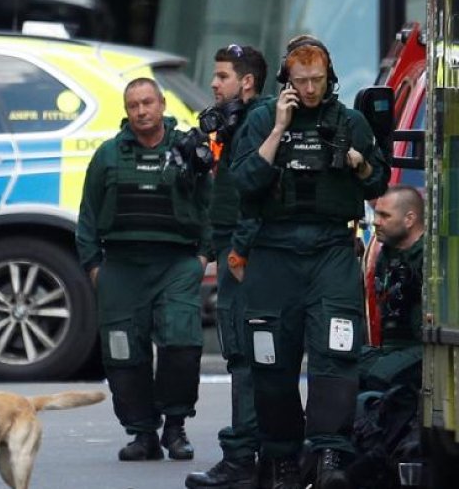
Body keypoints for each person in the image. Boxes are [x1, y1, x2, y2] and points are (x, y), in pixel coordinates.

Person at [231, 35, 389, 489]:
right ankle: (280, 457)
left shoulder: (350, 121)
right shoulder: (263, 118)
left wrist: (358, 163)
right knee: (271, 360)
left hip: (331, 251)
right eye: (301, 81)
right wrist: (279, 129)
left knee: (336, 354)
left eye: (317, 80)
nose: (310, 89)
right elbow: (244, 181)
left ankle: (329, 454)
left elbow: (378, 182)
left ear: (329, 77)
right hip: (273, 253)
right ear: (287, 80)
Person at [76, 77, 212, 463]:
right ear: (126, 110)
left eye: (147, 102)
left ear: (162, 104)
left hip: (176, 264)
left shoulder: (187, 150)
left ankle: (175, 427)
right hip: (121, 267)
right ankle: (142, 433)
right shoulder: (108, 155)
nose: (141, 111)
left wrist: (203, 257)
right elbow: (87, 217)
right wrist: (94, 268)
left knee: (181, 344)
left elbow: (211, 205)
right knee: (122, 352)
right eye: (133, 105)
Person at [186, 45, 270, 489]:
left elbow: (255, 194)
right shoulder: (235, 124)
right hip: (233, 248)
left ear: (247, 81)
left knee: (243, 353)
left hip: (244, 255)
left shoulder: (255, 123)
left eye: (222, 76)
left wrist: (238, 250)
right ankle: (261, 458)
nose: (214, 84)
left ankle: (242, 461)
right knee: (247, 354)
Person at [360, 185, 424, 393]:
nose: (375, 221)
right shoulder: (385, 255)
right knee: (338, 369)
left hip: (424, 349)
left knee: (380, 377)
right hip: (388, 347)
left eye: (385, 216)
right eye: (376, 214)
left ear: (409, 219)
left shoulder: (430, 257)